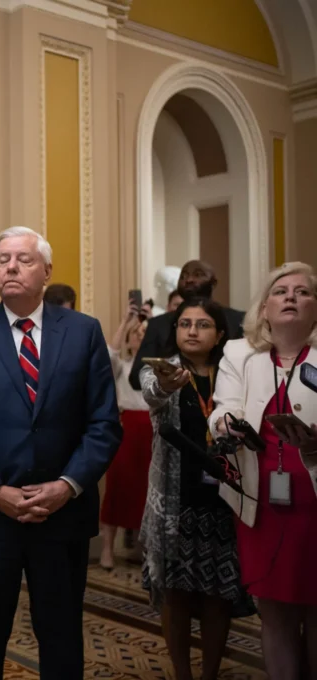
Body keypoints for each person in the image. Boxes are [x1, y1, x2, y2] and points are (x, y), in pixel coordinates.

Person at [0, 226, 121, 679]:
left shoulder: (84, 332)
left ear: (47, 271)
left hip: (62, 516)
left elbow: (103, 424)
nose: (11, 267)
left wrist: (67, 485)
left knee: (60, 638)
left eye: (22, 259)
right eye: (2, 260)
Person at [210, 262, 317, 680]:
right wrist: (224, 423)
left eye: (302, 291)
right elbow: (224, 406)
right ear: (264, 308)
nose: (291, 297)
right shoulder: (240, 354)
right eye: (281, 291)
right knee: (273, 611)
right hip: (262, 502)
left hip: (313, 500)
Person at [139, 298, 252, 680]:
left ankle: (210, 675)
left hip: (225, 501)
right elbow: (152, 393)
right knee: (177, 595)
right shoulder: (162, 370)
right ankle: (184, 675)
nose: (191, 331)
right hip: (176, 502)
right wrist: (165, 385)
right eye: (184, 323)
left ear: (220, 334)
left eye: (202, 325)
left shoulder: (233, 373)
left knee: (219, 595)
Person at [130, 260, 244, 390]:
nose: (189, 279)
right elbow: (136, 377)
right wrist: (162, 382)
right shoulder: (158, 324)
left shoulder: (237, 319)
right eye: (183, 276)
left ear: (214, 283)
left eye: (198, 274)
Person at [99, 302, 151, 570]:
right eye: (136, 334)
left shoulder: (156, 366)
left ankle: (144, 550)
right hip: (127, 429)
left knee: (147, 490)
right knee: (118, 488)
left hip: (152, 432)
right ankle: (107, 549)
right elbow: (109, 354)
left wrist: (153, 329)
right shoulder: (122, 365)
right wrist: (126, 320)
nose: (139, 338)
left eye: (144, 334)